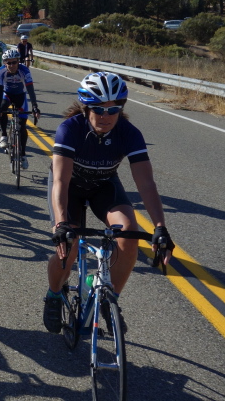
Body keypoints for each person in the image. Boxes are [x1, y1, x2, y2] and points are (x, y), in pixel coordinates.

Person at [43, 72, 175, 336]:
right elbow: (60, 182)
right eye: (98, 109)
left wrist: (161, 227)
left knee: (128, 235)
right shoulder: (70, 129)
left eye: (113, 109)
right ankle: (54, 295)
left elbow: (146, 184)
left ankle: (109, 296)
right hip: (70, 188)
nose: (106, 115)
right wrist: (60, 224)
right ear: (86, 107)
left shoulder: (129, 133)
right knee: (68, 247)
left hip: (104, 185)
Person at [0, 49, 40, 166]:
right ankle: (4, 135)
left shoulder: (24, 70)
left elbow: (30, 89)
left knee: (22, 127)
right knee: (2, 108)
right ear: (5, 63)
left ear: (18, 62)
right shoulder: (0, 71)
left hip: (20, 96)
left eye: (14, 62)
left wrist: (35, 106)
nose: (11, 65)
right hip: (7, 95)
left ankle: (23, 155)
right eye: (8, 63)